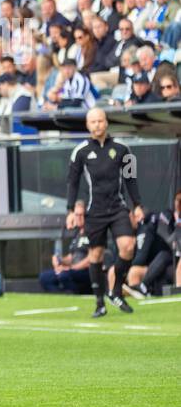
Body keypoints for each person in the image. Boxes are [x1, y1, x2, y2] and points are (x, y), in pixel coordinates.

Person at [66, 107, 144, 317]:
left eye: (100, 121)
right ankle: (99, 303)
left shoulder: (122, 149)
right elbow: (72, 182)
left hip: (118, 208)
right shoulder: (80, 151)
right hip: (94, 210)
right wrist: (71, 210)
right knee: (96, 254)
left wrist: (137, 205)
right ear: (87, 125)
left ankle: (115, 290)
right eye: (93, 122)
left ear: (107, 122)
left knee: (128, 246)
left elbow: (131, 179)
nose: (97, 125)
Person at [122, 203, 176, 298]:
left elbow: (140, 259)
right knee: (121, 270)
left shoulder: (148, 226)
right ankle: (116, 292)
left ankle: (143, 287)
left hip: (169, 261)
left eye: (137, 216)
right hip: (154, 266)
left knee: (164, 255)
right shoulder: (127, 234)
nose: (136, 219)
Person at [39, 223, 94, 294]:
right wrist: (60, 260)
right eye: (77, 215)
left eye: (81, 215)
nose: (78, 218)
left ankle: (76, 296)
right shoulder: (77, 233)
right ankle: (61, 298)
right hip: (71, 270)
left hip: (86, 272)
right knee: (45, 277)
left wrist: (71, 268)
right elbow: (71, 257)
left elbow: (92, 259)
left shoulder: (93, 232)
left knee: (63, 276)